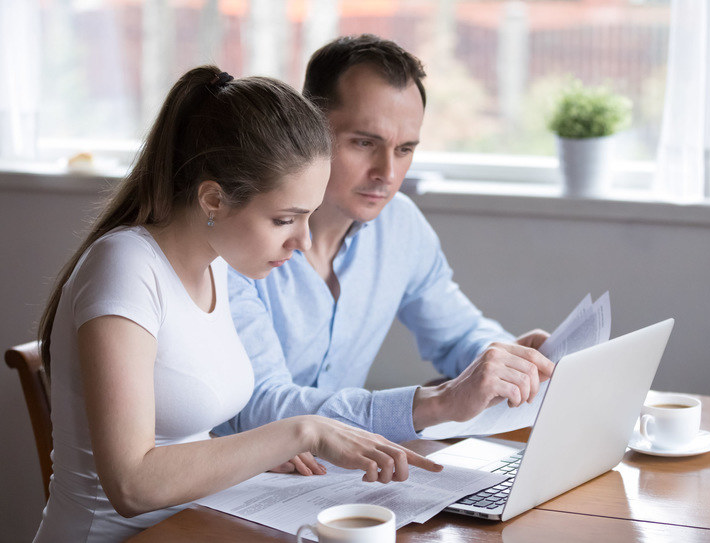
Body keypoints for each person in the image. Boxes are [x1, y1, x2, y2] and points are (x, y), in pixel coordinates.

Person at [33, 65, 441, 543]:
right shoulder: (124, 269)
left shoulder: (216, 264)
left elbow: (181, 433)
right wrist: (299, 433)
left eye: (306, 217)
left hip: (193, 526)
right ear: (213, 200)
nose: (302, 241)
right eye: (285, 219)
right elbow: (132, 484)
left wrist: (256, 455)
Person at [216, 35, 554, 473]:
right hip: (236, 485)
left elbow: (455, 334)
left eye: (405, 149)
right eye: (363, 142)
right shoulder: (238, 234)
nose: (387, 174)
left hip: (342, 478)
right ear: (309, 126)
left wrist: (504, 360)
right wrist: (435, 404)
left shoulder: (400, 225)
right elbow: (258, 405)